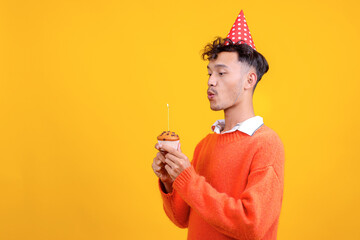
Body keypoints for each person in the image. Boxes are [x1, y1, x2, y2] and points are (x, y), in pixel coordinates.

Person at [152, 10, 285, 240]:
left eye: (221, 73)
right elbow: (182, 219)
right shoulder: (205, 145)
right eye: (210, 73)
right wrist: (170, 180)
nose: (211, 81)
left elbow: (251, 224)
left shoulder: (266, 144)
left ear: (249, 80)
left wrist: (189, 179)